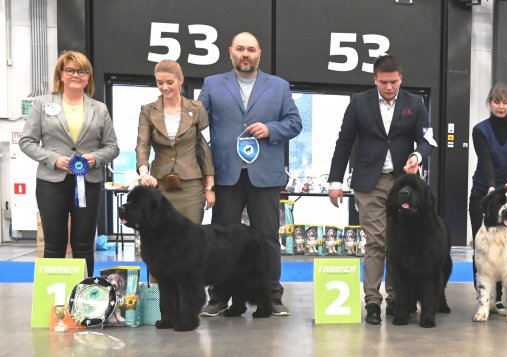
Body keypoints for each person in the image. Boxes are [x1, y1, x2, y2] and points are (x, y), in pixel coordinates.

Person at [198, 32, 302, 317]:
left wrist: (271, 129)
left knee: (268, 237)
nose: (246, 54)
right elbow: (194, 124)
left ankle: (272, 296)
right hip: (225, 174)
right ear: (230, 52)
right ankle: (219, 297)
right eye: (241, 49)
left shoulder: (279, 87)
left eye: (251, 50)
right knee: (221, 238)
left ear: (260, 54)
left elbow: (294, 123)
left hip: (265, 175)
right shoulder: (212, 84)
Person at [328, 55, 435, 325]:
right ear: (374, 79)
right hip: (369, 183)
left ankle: (397, 299)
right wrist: (335, 182)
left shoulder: (415, 103)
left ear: (402, 79)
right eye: (384, 82)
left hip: (404, 185)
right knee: (375, 242)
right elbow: (344, 142)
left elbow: (427, 140)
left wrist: (418, 156)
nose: (389, 87)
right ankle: (373, 302)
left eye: (394, 82)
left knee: (400, 244)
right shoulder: (358, 103)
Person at [19, 50, 120, 276]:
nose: (76, 75)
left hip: (90, 183)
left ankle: (86, 300)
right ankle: (54, 304)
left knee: (84, 244)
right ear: (61, 75)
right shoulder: (42, 103)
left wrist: (96, 158)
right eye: (71, 70)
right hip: (51, 183)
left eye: (82, 71)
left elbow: (113, 147)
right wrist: (54, 159)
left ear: (88, 77)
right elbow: (26, 141)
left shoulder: (99, 108)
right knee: (54, 245)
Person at [468, 83, 507, 315]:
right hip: (484, 193)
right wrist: (492, 185)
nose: (501, 106)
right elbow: (485, 159)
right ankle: (484, 298)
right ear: (490, 103)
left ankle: (503, 299)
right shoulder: (479, 130)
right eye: (496, 101)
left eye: (505, 101)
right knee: (482, 246)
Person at [136, 59, 215, 223]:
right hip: (160, 184)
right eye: (160, 82)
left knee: (192, 240)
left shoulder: (197, 108)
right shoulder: (147, 110)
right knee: (162, 239)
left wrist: (209, 187)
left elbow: (205, 148)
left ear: (181, 80)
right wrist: (144, 173)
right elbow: (142, 145)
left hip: (191, 185)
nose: (164, 87)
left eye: (169, 82)